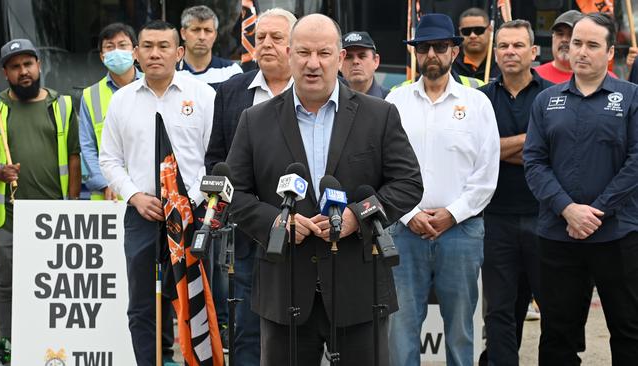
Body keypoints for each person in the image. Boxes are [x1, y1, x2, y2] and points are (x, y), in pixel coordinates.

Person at [226, 13, 423, 366]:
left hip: (360, 293)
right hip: (284, 291)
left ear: (340, 58)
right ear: (289, 55)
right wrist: (276, 222)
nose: (313, 64)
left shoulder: (379, 116)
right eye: (303, 53)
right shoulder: (254, 121)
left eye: (324, 53)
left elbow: (408, 184)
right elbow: (234, 196)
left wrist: (357, 216)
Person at [99, 20, 216, 366]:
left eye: (163, 46)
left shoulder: (203, 96)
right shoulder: (122, 101)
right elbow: (110, 159)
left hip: (192, 214)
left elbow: (215, 156)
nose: (155, 54)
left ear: (179, 53)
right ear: (135, 53)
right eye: (147, 46)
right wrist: (134, 195)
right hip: (143, 214)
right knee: (142, 305)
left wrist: (189, 199)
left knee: (192, 298)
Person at [386, 13, 499, 366]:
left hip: (461, 232)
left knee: (461, 328)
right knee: (401, 327)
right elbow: (381, 168)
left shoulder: (477, 102)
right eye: (423, 47)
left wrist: (453, 214)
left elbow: (487, 172)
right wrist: (409, 214)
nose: (431, 53)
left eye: (439, 46)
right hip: (405, 231)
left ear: (453, 50)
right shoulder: (395, 102)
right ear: (415, 53)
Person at [524, 13, 638, 365]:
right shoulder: (546, 101)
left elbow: (635, 162)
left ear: (609, 53)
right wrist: (568, 209)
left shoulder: (630, 97)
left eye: (592, 45)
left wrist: (597, 211)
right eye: (576, 43)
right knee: (557, 333)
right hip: (559, 236)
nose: (581, 52)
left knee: (629, 329)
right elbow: (534, 162)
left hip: (618, 235)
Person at [205, 7, 296, 365]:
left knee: (297, 325)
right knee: (246, 326)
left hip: (303, 229)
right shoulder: (231, 91)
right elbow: (216, 158)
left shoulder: (314, 89)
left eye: (277, 38)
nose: (267, 44)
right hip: (248, 231)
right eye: (261, 38)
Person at [0, 38, 81, 365]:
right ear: (5, 73)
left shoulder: (64, 104)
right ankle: (9, 346)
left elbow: (73, 157)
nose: (23, 71)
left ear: (39, 66)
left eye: (28, 64)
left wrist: (71, 203)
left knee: (53, 287)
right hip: (8, 216)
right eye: (15, 67)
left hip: (53, 216)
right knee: (7, 285)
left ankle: (49, 347)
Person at [478, 19, 552, 365]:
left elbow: (557, 154)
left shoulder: (553, 97)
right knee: (499, 312)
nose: (510, 52)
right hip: (496, 219)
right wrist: (531, 143)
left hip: (545, 217)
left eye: (518, 45)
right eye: (504, 46)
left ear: (533, 52)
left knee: (553, 308)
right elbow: (481, 153)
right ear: (496, 53)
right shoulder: (480, 100)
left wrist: (501, 148)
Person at [79, 22, 141, 200]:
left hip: (148, 193)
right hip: (108, 196)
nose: (116, 51)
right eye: (109, 47)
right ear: (102, 56)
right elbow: (88, 147)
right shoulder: (91, 95)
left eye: (122, 45)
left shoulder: (153, 85)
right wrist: (105, 184)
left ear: (135, 52)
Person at [177, 5, 243, 89]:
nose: (202, 37)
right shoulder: (170, 72)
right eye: (196, 30)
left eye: (208, 30)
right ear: (183, 33)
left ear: (215, 35)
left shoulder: (231, 71)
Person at [534, 10, 582, 84]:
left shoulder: (598, 80)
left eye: (571, 34)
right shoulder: (534, 77)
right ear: (553, 37)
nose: (564, 40)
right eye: (560, 34)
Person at [453, 7, 499, 82]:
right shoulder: (450, 60)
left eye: (478, 30)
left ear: (490, 30)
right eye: (466, 31)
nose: (472, 36)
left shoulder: (501, 59)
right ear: (460, 32)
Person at [340, 31, 389, 98]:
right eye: (348, 57)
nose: (355, 61)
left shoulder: (390, 99)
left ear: (376, 61)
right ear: (339, 62)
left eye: (362, 56)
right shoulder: (329, 100)